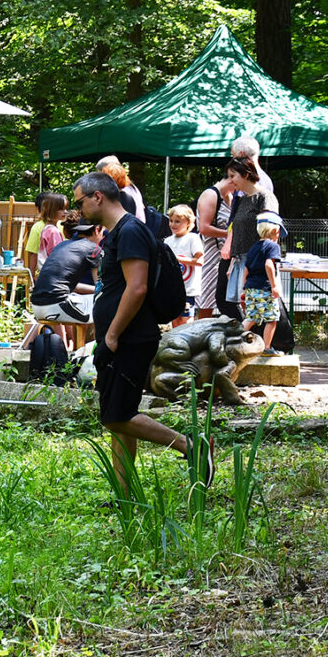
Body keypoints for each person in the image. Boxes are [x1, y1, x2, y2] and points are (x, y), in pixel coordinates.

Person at [73, 172, 210, 490]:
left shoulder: (131, 231)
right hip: (120, 337)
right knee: (120, 419)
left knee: (115, 416)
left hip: (130, 338)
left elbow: (136, 288)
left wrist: (111, 336)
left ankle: (191, 446)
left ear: (98, 197)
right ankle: (124, 494)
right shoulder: (116, 233)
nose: (78, 208)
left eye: (80, 201)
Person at [27, 212, 99, 348]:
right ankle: (84, 355)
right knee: (101, 303)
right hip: (57, 305)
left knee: (85, 302)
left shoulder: (62, 245)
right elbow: (100, 288)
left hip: (37, 304)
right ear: (97, 230)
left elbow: (75, 287)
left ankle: (80, 351)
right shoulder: (94, 249)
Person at [221, 157, 277, 315]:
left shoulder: (265, 197)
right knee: (244, 308)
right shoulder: (241, 199)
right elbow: (238, 231)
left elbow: (271, 232)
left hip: (256, 263)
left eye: (233, 176)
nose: (230, 181)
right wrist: (233, 262)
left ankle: (258, 340)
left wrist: (264, 263)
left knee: (257, 310)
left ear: (245, 174)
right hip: (240, 261)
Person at [239, 213, 284, 354]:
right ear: (275, 231)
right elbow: (269, 265)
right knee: (272, 319)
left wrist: (244, 287)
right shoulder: (273, 246)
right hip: (264, 288)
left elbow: (246, 268)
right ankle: (267, 348)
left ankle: (233, 342)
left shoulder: (254, 247)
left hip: (251, 288)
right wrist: (274, 285)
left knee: (250, 317)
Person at [194, 172, 235, 319]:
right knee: (207, 301)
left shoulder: (228, 196)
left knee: (223, 297)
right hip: (209, 254)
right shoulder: (210, 195)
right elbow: (203, 228)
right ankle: (200, 334)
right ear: (231, 178)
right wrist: (229, 234)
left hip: (224, 255)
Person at [164, 204, 204, 327]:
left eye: (177, 221)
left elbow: (199, 260)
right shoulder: (168, 241)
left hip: (188, 289)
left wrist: (178, 259)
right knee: (174, 318)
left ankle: (189, 342)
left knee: (186, 319)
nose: (173, 224)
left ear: (188, 223)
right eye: (171, 221)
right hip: (172, 289)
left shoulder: (193, 239)